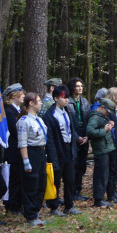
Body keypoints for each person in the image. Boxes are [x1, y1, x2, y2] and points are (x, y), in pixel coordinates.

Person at [43, 84, 81, 217]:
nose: (66, 100)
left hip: (68, 149)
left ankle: (69, 205)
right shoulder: (50, 115)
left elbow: (72, 130)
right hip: (57, 151)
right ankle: (54, 207)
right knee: (56, 180)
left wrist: (76, 141)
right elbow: (50, 139)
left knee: (70, 179)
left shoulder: (68, 112)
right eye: (63, 97)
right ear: (55, 98)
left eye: (67, 97)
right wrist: (53, 157)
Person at [17, 91, 49, 226]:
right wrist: (26, 162)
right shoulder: (24, 121)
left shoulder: (38, 119)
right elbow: (22, 142)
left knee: (41, 182)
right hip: (31, 153)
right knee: (31, 183)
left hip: (41, 152)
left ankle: (36, 211)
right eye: (39, 100)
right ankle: (30, 214)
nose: (41, 103)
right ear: (31, 103)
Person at [87, 98, 117, 207]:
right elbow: (90, 131)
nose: (108, 113)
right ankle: (98, 199)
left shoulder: (102, 117)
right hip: (100, 149)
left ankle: (101, 197)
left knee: (105, 174)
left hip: (106, 148)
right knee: (100, 175)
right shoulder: (94, 117)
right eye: (107, 111)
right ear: (102, 107)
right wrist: (105, 130)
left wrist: (109, 125)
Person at [3, 83, 25, 216]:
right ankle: (12, 205)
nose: (23, 96)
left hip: (18, 149)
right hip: (12, 150)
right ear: (13, 96)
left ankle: (17, 203)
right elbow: (15, 129)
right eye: (21, 94)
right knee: (13, 178)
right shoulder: (9, 111)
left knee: (18, 177)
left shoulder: (17, 110)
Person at [68, 77, 90, 201]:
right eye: (77, 86)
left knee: (82, 165)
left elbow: (89, 119)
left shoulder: (85, 102)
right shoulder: (68, 102)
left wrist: (87, 136)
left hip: (84, 136)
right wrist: (76, 137)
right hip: (74, 137)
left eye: (81, 86)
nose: (80, 88)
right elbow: (69, 124)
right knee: (74, 165)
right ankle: (73, 192)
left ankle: (79, 190)